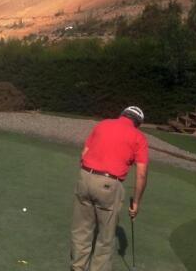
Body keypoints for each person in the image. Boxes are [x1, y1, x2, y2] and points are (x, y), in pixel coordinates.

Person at [70, 106, 148, 271]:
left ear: (122, 115)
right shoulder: (138, 137)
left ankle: (77, 268)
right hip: (109, 184)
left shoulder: (103, 124)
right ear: (138, 123)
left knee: (82, 230)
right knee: (105, 239)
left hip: (85, 177)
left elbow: (84, 154)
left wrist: (88, 177)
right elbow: (141, 174)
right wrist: (136, 203)